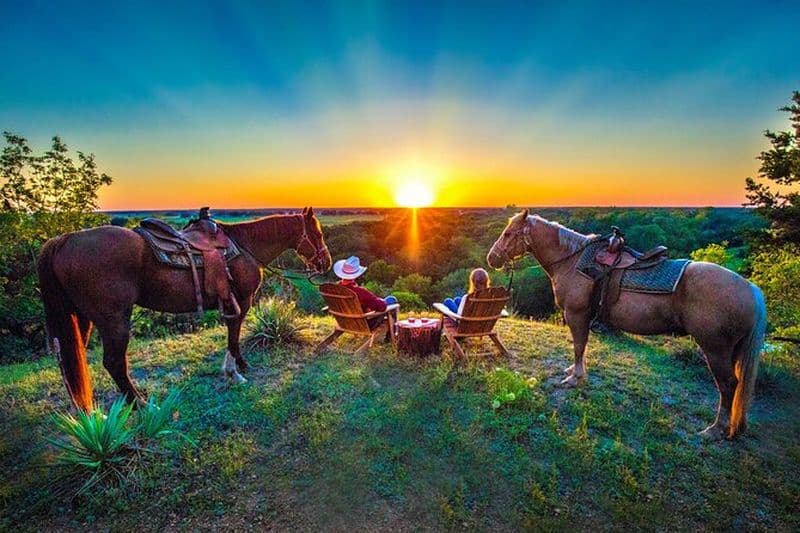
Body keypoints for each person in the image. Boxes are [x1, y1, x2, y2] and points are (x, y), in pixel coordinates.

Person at [333, 256, 398, 331]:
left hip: (344, 322)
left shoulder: (335, 290)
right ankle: (391, 336)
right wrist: (379, 301)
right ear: (356, 275)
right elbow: (382, 307)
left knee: (382, 301)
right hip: (363, 324)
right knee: (392, 300)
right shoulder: (360, 292)